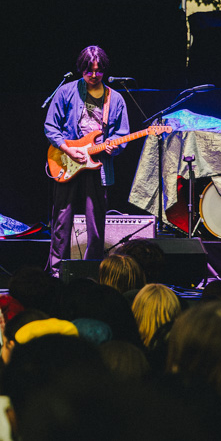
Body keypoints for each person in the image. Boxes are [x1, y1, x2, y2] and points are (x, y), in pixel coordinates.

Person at [44, 45, 129, 274]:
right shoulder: (66, 92)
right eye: (88, 70)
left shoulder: (115, 99)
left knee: (96, 223)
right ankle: (57, 270)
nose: (93, 75)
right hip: (67, 162)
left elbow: (122, 133)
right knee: (62, 220)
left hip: (98, 166)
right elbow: (51, 126)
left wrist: (113, 146)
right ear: (81, 69)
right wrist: (68, 149)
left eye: (98, 70)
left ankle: (92, 270)